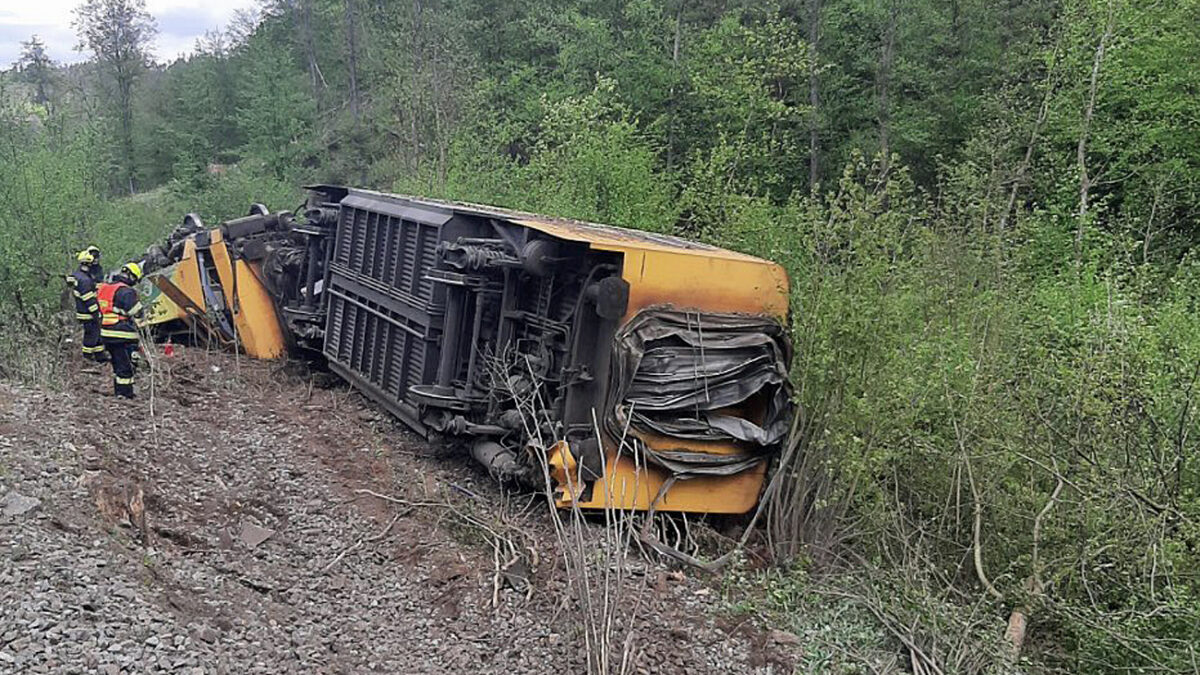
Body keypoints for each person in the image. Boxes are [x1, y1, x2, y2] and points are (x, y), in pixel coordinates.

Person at [98, 262, 145, 399]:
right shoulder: (126, 291)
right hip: (122, 333)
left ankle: (120, 392)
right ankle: (125, 394)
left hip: (106, 332)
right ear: (131, 276)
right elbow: (137, 312)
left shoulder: (105, 288)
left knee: (118, 364)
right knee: (127, 366)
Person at [66, 250, 106, 362]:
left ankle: (100, 356)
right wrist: (96, 313)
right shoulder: (85, 280)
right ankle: (87, 357)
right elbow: (89, 299)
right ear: (89, 264)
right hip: (88, 313)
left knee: (97, 334)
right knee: (91, 336)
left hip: (82, 311)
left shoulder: (77, 275)